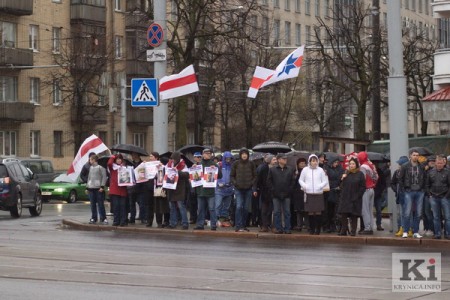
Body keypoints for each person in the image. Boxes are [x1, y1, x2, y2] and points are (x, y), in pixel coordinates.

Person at [398, 149, 426, 239]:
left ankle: (416, 231)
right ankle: (405, 231)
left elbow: (425, 178)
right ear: (410, 156)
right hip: (408, 191)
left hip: (419, 191)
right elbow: (400, 179)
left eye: (417, 155)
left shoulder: (421, 166)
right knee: (407, 212)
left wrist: (423, 189)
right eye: (414, 155)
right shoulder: (405, 166)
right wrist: (404, 189)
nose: (416, 157)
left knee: (418, 213)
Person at [299, 154, 329, 235]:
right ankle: (311, 229)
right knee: (310, 212)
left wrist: (320, 186)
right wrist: (305, 186)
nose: (314, 162)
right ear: (309, 162)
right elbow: (301, 180)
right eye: (313, 161)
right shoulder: (305, 170)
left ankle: (318, 229)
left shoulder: (320, 170)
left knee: (318, 212)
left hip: (318, 193)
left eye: (316, 161)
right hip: (309, 193)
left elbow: (325, 181)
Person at [267, 153, 296, 234]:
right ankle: (278, 228)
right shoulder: (272, 169)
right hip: (276, 194)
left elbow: (293, 181)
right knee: (276, 212)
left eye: (286, 159)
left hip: (287, 194)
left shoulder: (290, 169)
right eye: (283, 159)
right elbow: (269, 181)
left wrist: (289, 190)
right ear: (279, 160)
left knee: (287, 212)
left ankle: (287, 228)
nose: (285, 160)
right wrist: (273, 190)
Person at [337, 157, 366, 236]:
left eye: (353, 164)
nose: (351, 165)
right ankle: (344, 230)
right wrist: (342, 178)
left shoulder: (360, 174)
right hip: (345, 197)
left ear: (356, 164)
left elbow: (363, 187)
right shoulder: (346, 172)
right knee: (344, 214)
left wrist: (358, 195)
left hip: (355, 197)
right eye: (350, 164)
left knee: (354, 215)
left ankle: (353, 230)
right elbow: (340, 184)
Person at [194, 148, 222, 231]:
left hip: (210, 191)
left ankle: (213, 225)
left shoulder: (214, 164)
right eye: (206, 153)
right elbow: (195, 177)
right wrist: (193, 169)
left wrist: (216, 170)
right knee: (201, 209)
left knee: (212, 209)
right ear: (202, 154)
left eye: (209, 153)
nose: (208, 154)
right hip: (200, 191)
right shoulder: (198, 164)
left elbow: (220, 176)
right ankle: (200, 224)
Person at [230, 147, 257, 232]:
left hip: (248, 189)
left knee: (246, 208)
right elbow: (232, 176)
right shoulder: (236, 163)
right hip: (238, 189)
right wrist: (235, 183)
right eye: (243, 154)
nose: (244, 155)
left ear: (248, 155)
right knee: (238, 207)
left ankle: (243, 225)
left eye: (246, 154)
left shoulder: (251, 164)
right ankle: (238, 225)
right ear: (240, 155)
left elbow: (255, 176)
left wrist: (251, 183)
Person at [426, 155, 450, 240]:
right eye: (438, 163)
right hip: (434, 198)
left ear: (443, 163)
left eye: (441, 163)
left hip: (445, 197)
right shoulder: (430, 172)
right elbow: (427, 185)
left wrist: (447, 196)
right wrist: (430, 195)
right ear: (435, 163)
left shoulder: (448, 172)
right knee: (436, 217)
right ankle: (437, 234)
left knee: (447, 217)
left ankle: (448, 234)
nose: (439, 164)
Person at [165, 152, 190, 230]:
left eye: (174, 159)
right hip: (171, 188)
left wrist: (178, 171)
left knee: (181, 206)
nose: (173, 160)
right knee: (172, 207)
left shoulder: (183, 165)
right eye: (172, 159)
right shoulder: (168, 165)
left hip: (180, 189)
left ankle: (185, 223)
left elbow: (186, 175)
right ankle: (173, 223)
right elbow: (164, 173)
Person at [357, 151, 379, 235]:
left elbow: (361, 179)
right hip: (372, 189)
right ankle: (371, 227)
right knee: (370, 210)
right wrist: (373, 184)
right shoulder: (371, 165)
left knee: (364, 210)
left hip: (365, 189)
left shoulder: (363, 167)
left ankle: (367, 228)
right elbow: (376, 177)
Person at [129, 152, 153, 225]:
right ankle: (132, 218)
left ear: (137, 155)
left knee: (142, 204)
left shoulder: (143, 163)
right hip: (132, 187)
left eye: (133, 155)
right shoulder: (130, 164)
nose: (132, 156)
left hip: (142, 187)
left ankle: (143, 218)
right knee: (132, 204)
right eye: (132, 155)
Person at [149, 152, 170, 228]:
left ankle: (166, 221)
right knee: (157, 206)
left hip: (164, 188)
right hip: (157, 188)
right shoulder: (154, 168)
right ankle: (159, 222)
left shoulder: (166, 168)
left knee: (165, 206)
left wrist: (163, 167)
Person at [391, 156, 410, 237]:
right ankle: (401, 228)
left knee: (408, 213)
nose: (399, 165)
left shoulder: (410, 172)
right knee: (400, 213)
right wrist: (396, 190)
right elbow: (392, 183)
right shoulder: (397, 172)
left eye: (400, 164)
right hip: (400, 195)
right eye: (399, 164)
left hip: (409, 196)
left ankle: (409, 229)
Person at [256, 154, 275, 232]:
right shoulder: (263, 168)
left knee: (272, 210)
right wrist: (257, 188)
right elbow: (258, 179)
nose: (275, 161)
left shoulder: (276, 168)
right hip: (265, 192)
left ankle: (271, 225)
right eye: (273, 159)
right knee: (264, 210)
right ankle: (264, 225)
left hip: (273, 192)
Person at [324, 158, 344, 233]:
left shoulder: (340, 168)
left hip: (337, 191)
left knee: (336, 210)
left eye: (337, 162)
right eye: (335, 162)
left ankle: (334, 225)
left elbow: (342, 178)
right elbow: (326, 179)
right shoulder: (327, 168)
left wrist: (339, 185)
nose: (336, 164)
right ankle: (328, 225)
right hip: (329, 191)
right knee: (329, 210)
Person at [107, 154, 128, 226]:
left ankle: (123, 221)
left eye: (120, 159)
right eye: (117, 159)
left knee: (122, 206)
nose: (119, 160)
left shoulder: (125, 168)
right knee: (116, 206)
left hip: (122, 190)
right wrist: (112, 157)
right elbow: (109, 163)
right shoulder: (113, 168)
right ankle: (116, 221)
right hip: (115, 190)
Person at [86, 155, 108, 224]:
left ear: (94, 160)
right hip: (91, 188)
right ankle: (93, 218)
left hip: (98, 188)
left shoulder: (101, 167)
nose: (89, 161)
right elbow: (89, 178)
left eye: (90, 160)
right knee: (92, 204)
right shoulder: (91, 168)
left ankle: (103, 218)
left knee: (100, 204)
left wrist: (102, 186)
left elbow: (104, 177)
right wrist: (87, 187)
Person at [215, 151, 234, 227]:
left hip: (229, 189)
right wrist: (219, 182)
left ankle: (223, 219)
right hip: (219, 189)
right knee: (218, 205)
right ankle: (215, 219)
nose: (228, 160)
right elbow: (215, 175)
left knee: (226, 206)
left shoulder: (232, 166)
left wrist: (232, 184)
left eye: (229, 158)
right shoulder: (219, 165)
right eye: (227, 158)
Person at [292, 157, 306, 231]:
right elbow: (293, 183)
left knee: (306, 210)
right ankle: (299, 225)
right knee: (298, 210)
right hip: (297, 193)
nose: (303, 165)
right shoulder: (295, 172)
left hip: (305, 192)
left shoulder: (307, 171)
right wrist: (296, 176)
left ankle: (307, 225)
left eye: (304, 163)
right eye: (301, 163)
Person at [188, 152, 202, 224]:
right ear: (194, 158)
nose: (198, 158)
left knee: (200, 205)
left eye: (199, 157)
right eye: (197, 157)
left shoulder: (202, 165)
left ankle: (200, 219)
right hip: (193, 188)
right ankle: (193, 218)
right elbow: (189, 175)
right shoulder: (191, 166)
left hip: (200, 187)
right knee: (192, 204)